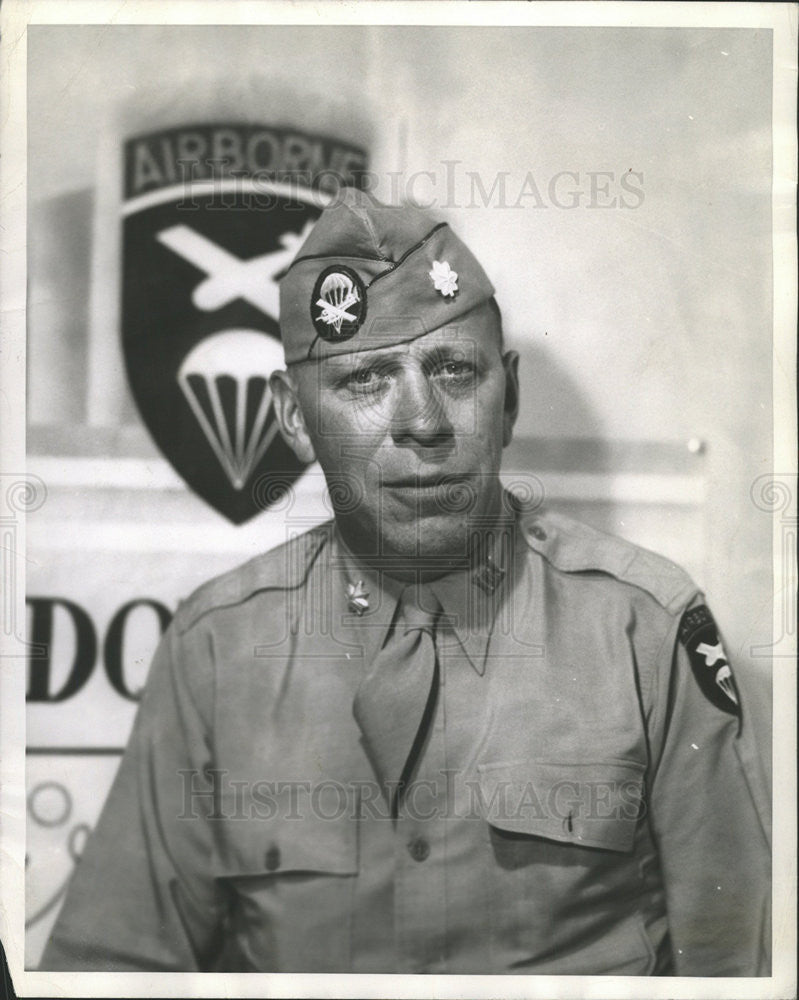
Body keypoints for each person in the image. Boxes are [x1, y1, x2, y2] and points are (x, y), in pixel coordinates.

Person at [41, 188, 771, 975]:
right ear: (293, 418)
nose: (421, 420)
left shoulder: (646, 630)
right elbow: (111, 972)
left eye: (454, 370)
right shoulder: (216, 649)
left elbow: (732, 970)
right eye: (364, 381)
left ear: (509, 396)